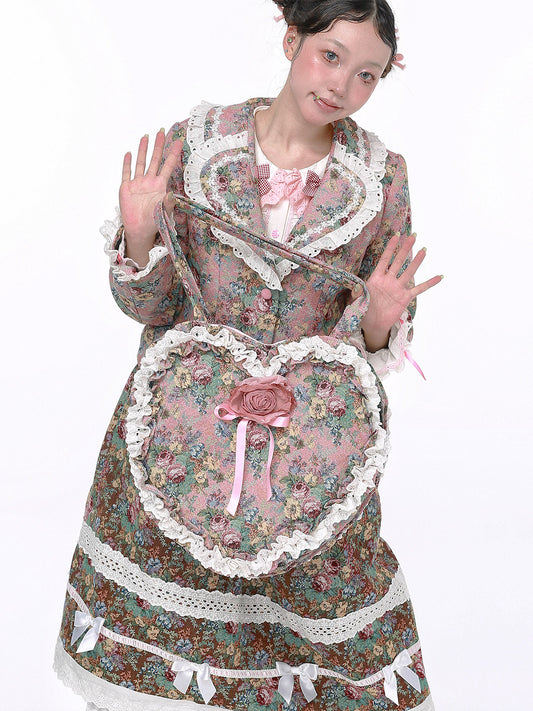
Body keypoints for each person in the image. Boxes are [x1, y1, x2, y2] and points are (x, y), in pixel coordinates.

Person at [54, 1, 441, 709]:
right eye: (330, 55)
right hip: (181, 427)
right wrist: (139, 235)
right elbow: (151, 307)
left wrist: (381, 322)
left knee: (321, 598)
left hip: (309, 448)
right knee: (175, 595)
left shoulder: (381, 177)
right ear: (291, 40)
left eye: (367, 74)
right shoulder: (197, 144)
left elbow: (375, 330)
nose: (341, 84)